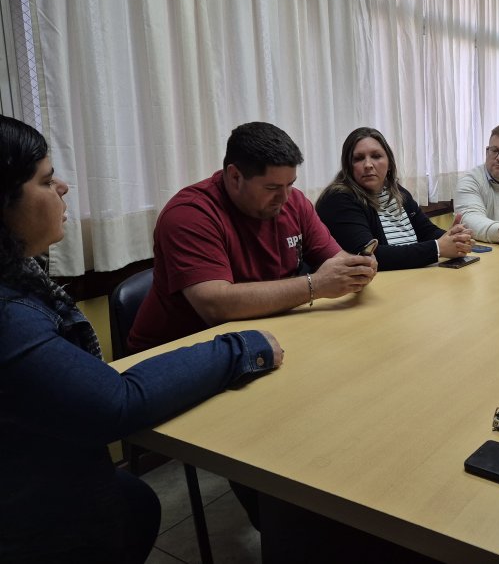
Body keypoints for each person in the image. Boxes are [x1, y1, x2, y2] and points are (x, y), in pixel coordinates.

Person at [0, 116, 284, 563]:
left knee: (135, 503)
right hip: (29, 514)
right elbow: (115, 402)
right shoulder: (9, 312)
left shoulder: (22, 278)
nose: (64, 189)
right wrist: (242, 347)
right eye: (47, 179)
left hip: (53, 471)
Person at [129, 121, 377, 352]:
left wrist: (355, 269)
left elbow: (334, 261)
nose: (285, 197)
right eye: (272, 188)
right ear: (235, 176)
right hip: (175, 354)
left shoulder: (294, 202)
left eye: (290, 184)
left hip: (259, 338)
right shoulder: (189, 214)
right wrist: (316, 285)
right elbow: (215, 306)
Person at [316, 127, 473, 270]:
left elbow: (426, 231)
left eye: (376, 156)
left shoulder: (397, 192)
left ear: (389, 163)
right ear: (348, 166)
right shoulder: (338, 199)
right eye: (358, 158)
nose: (368, 164)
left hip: (410, 278)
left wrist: (454, 239)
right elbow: (370, 256)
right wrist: (438, 248)